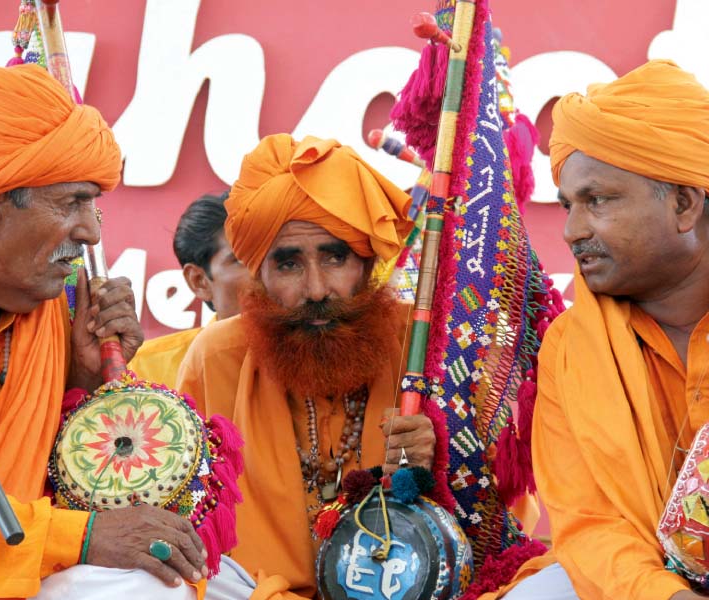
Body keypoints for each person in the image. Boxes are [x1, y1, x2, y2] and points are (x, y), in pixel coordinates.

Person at [0, 64, 215, 600]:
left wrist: (83, 385)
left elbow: (37, 479)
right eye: (73, 202)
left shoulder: (52, 311)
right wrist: (78, 536)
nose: (92, 231)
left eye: (94, 205)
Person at [176, 133, 441, 598]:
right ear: (259, 276)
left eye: (336, 257)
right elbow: (185, 524)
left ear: (367, 265)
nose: (317, 290)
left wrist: (439, 468)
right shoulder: (217, 358)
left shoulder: (424, 350)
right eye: (289, 264)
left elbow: (497, 516)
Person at [493, 60, 709, 600]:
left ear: (684, 204)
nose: (571, 231)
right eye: (568, 206)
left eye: (598, 201)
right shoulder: (572, 347)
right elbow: (590, 526)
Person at [130, 191, 248, 387]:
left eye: (277, 258)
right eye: (243, 260)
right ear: (199, 280)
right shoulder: (147, 372)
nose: (266, 273)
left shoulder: (310, 363)